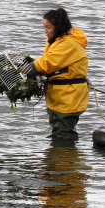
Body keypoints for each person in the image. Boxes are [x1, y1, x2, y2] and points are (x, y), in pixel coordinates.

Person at [23, 8, 89, 140]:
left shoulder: (68, 44)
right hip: (59, 96)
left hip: (69, 97)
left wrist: (32, 67)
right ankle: (57, 156)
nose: (45, 31)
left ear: (58, 27)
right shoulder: (57, 40)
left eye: (48, 27)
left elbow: (48, 62)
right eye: (44, 27)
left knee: (64, 135)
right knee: (57, 132)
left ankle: (67, 158)